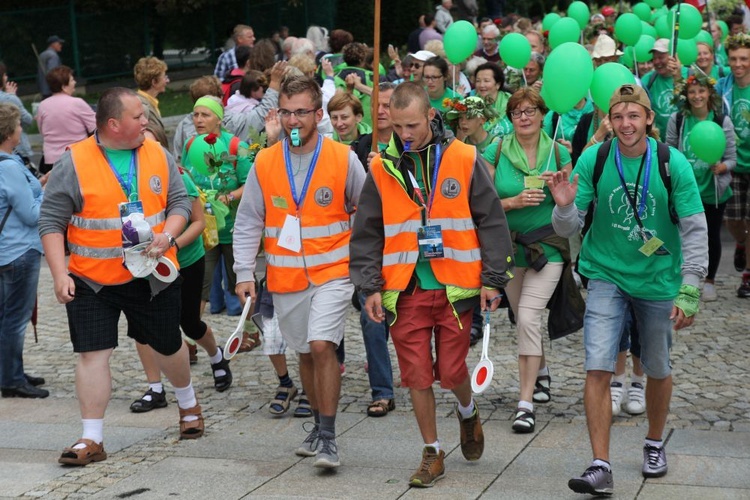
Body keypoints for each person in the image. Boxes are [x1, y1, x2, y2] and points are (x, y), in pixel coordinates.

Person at [349, 82, 514, 487]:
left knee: (451, 370)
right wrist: (369, 286)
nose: (405, 134)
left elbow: (491, 219)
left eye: (412, 125)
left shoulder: (462, 157)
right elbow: (367, 231)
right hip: (404, 288)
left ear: (431, 117)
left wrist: (493, 279)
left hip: (456, 287)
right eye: (397, 126)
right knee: (417, 374)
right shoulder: (380, 167)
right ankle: (432, 451)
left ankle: (467, 410)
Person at [548, 84, 707, 495]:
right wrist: (564, 206)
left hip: (658, 279)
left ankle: (654, 442)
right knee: (597, 365)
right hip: (605, 274)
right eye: (618, 116)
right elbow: (566, 229)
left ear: (649, 119)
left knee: (657, 367)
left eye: (633, 116)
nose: (625, 124)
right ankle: (600, 464)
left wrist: (690, 288)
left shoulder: (673, 165)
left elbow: (694, 228)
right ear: (609, 120)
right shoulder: (594, 158)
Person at [40, 88, 204, 467]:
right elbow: (50, 221)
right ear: (113, 124)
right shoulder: (74, 162)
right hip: (91, 280)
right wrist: (59, 273)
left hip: (152, 275)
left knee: (167, 345)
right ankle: (91, 438)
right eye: (138, 116)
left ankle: (188, 402)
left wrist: (169, 235)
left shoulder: (156, 153)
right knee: (92, 354)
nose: (146, 121)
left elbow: (179, 202)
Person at [233, 75, 366, 469]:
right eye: (286, 112)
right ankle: (318, 427)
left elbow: (368, 209)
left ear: (317, 114)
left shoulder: (343, 158)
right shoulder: (266, 160)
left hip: (333, 271)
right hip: (286, 276)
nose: (293, 121)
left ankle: (327, 435)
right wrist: (243, 273)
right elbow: (248, 221)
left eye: (302, 113)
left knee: (323, 345)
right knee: (305, 352)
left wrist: (363, 262)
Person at [493, 88, 572, 433]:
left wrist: (561, 198)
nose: (523, 117)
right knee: (521, 317)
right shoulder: (494, 151)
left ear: (543, 115)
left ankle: (524, 403)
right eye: (516, 112)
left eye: (529, 111)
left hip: (548, 249)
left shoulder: (559, 151)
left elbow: (573, 209)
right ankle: (540, 372)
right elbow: (478, 203)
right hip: (509, 250)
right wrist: (512, 202)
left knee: (527, 316)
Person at [129, 159, 234, 413]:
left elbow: (198, 222)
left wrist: (172, 245)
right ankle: (155, 388)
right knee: (142, 327)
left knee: (189, 323)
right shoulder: (125, 179)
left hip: (185, 260)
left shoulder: (177, 176)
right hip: (143, 264)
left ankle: (216, 355)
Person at [181, 96, 257, 344]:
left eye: (205, 115)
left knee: (240, 282)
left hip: (234, 227)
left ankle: (249, 332)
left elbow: (250, 184)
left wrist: (228, 197)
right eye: (196, 114)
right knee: (199, 284)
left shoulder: (237, 146)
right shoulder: (190, 144)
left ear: (219, 119)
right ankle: (191, 340)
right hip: (205, 229)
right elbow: (184, 179)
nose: (199, 120)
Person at [667, 74, 736, 302]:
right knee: (681, 236)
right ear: (686, 95)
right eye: (692, 92)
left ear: (709, 94)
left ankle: (710, 281)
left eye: (701, 91)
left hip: (713, 191)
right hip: (685, 191)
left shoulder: (721, 121)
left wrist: (722, 166)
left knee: (711, 236)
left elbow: (732, 158)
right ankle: (684, 278)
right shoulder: (677, 120)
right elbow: (668, 152)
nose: (697, 96)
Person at [0, 103, 48, 399]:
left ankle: (10, 370)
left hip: (7, 248)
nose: (22, 130)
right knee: (15, 318)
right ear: (9, 132)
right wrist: (49, 193)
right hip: (20, 250)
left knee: (6, 316)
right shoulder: (8, 166)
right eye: (19, 126)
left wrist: (39, 185)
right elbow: (31, 214)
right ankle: (11, 379)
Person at [716, 33, 750, 297]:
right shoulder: (723, 86)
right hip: (732, 162)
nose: (738, 64)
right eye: (734, 59)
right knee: (733, 219)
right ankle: (740, 242)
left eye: (744, 59)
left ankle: (747, 277)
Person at [36, 65, 96, 174]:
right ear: (64, 86)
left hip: (51, 161)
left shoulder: (42, 106)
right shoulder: (77, 103)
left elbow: (42, 131)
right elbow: (95, 128)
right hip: (77, 158)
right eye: (72, 80)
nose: (75, 83)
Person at [642, 38, 688, 140]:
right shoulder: (648, 79)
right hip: (660, 143)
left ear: (673, 57)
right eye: (654, 58)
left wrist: (678, 77)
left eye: (661, 57)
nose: (657, 62)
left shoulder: (689, 75)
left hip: (685, 139)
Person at [444, 95, 500, 166]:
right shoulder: (462, 144)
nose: (463, 122)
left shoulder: (496, 143)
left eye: (469, 117)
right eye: (460, 118)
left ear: (482, 120)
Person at [0, 64, 34, 170]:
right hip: (15, 148)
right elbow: (27, 120)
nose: (6, 77)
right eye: (4, 74)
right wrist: (12, 96)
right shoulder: (9, 99)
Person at [133, 57, 170, 148]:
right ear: (154, 82)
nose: (167, 80)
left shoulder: (147, 102)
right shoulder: (142, 106)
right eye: (164, 77)